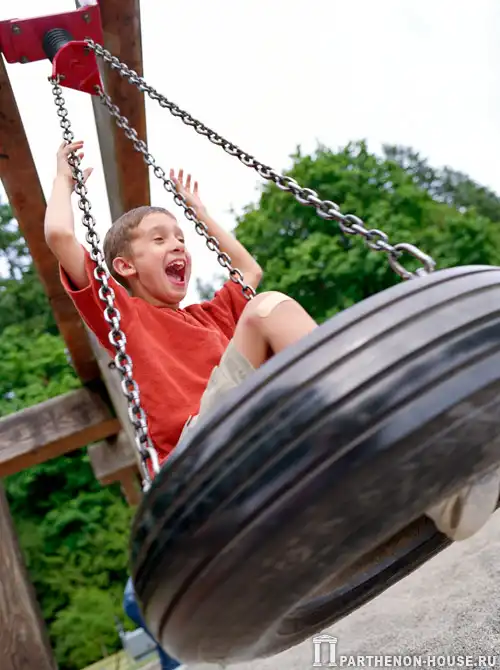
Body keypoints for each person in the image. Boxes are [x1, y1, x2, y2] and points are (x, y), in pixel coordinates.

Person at [45, 140, 499, 659]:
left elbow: (248, 270)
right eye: (159, 238)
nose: (178, 245)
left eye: (181, 237)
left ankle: (443, 494)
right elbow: (59, 235)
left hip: (252, 440)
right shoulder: (123, 317)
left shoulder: (210, 316)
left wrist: (200, 214)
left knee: (308, 387)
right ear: (125, 266)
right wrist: (63, 178)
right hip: (199, 455)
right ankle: (380, 410)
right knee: (266, 311)